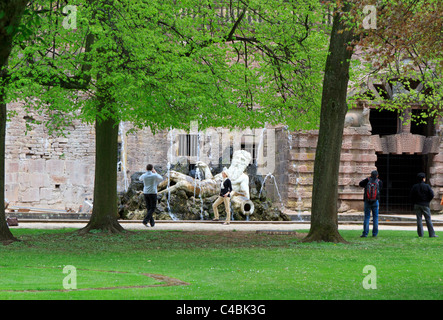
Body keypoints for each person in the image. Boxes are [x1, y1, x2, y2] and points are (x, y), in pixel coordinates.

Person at [410, 173, 438, 238]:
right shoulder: (427, 186)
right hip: (425, 204)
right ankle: (431, 234)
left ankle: (420, 234)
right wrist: (427, 201)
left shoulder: (415, 186)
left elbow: (411, 196)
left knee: (419, 219)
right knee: (428, 219)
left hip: (417, 204)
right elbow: (431, 194)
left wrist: (414, 202)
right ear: (423, 179)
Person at [359, 170, 383, 238]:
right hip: (375, 201)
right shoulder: (379, 181)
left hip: (367, 201)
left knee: (367, 217)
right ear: (377, 175)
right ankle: (374, 233)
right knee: (375, 218)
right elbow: (380, 189)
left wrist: (368, 179)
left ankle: (365, 233)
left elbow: (360, 184)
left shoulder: (367, 180)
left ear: (371, 175)